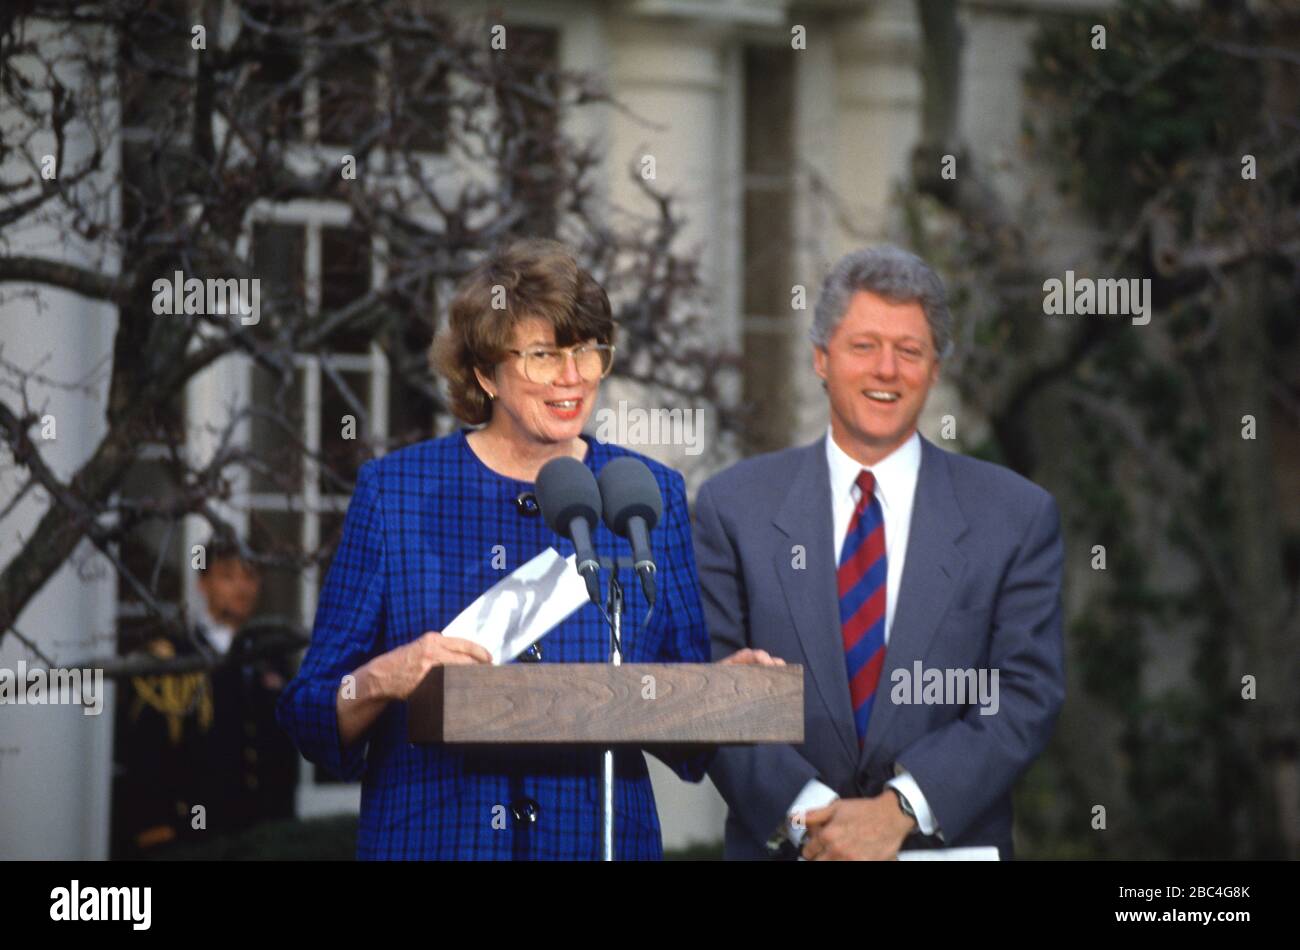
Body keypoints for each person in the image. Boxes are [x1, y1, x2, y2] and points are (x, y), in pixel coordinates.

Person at [277, 238, 772, 860]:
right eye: (543, 356)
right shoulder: (395, 493)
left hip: (596, 845)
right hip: (436, 845)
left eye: (587, 352)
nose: (572, 378)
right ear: (485, 373)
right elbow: (311, 715)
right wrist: (381, 678)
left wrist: (719, 694)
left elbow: (682, 733)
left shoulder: (645, 495)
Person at [694, 245, 1065, 860]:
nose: (886, 369)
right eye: (864, 346)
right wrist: (816, 820)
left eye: (910, 350)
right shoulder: (734, 508)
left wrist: (900, 812)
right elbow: (709, 688)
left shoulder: (1016, 516)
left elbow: (1025, 694)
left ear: (935, 369)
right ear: (821, 358)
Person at [113, 535, 297, 857]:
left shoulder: (271, 656)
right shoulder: (174, 658)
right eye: (228, 575)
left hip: (265, 836)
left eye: (250, 576)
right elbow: (146, 754)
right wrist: (158, 834)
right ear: (203, 582)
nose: (242, 587)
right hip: (194, 836)